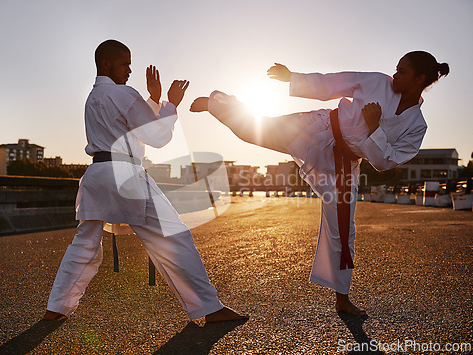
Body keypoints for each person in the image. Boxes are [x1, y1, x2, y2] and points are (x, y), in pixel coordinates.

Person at [190, 51, 449, 316]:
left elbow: (385, 162)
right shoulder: (377, 82)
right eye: (396, 68)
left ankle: (342, 299)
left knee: (343, 230)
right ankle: (219, 105)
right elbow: (335, 82)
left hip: (345, 163)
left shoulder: (417, 125)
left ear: (420, 79)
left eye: (402, 71)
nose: (394, 74)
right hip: (320, 127)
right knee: (254, 131)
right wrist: (293, 78)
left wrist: (375, 129)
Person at [44, 39, 247, 323]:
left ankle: (56, 307)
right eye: (125, 63)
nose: (129, 70)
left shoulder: (94, 98)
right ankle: (210, 308)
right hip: (126, 175)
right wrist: (171, 103)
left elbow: (132, 127)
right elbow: (155, 136)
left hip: (97, 174)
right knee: (175, 237)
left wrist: (153, 99)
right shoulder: (124, 93)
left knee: (85, 244)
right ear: (106, 64)